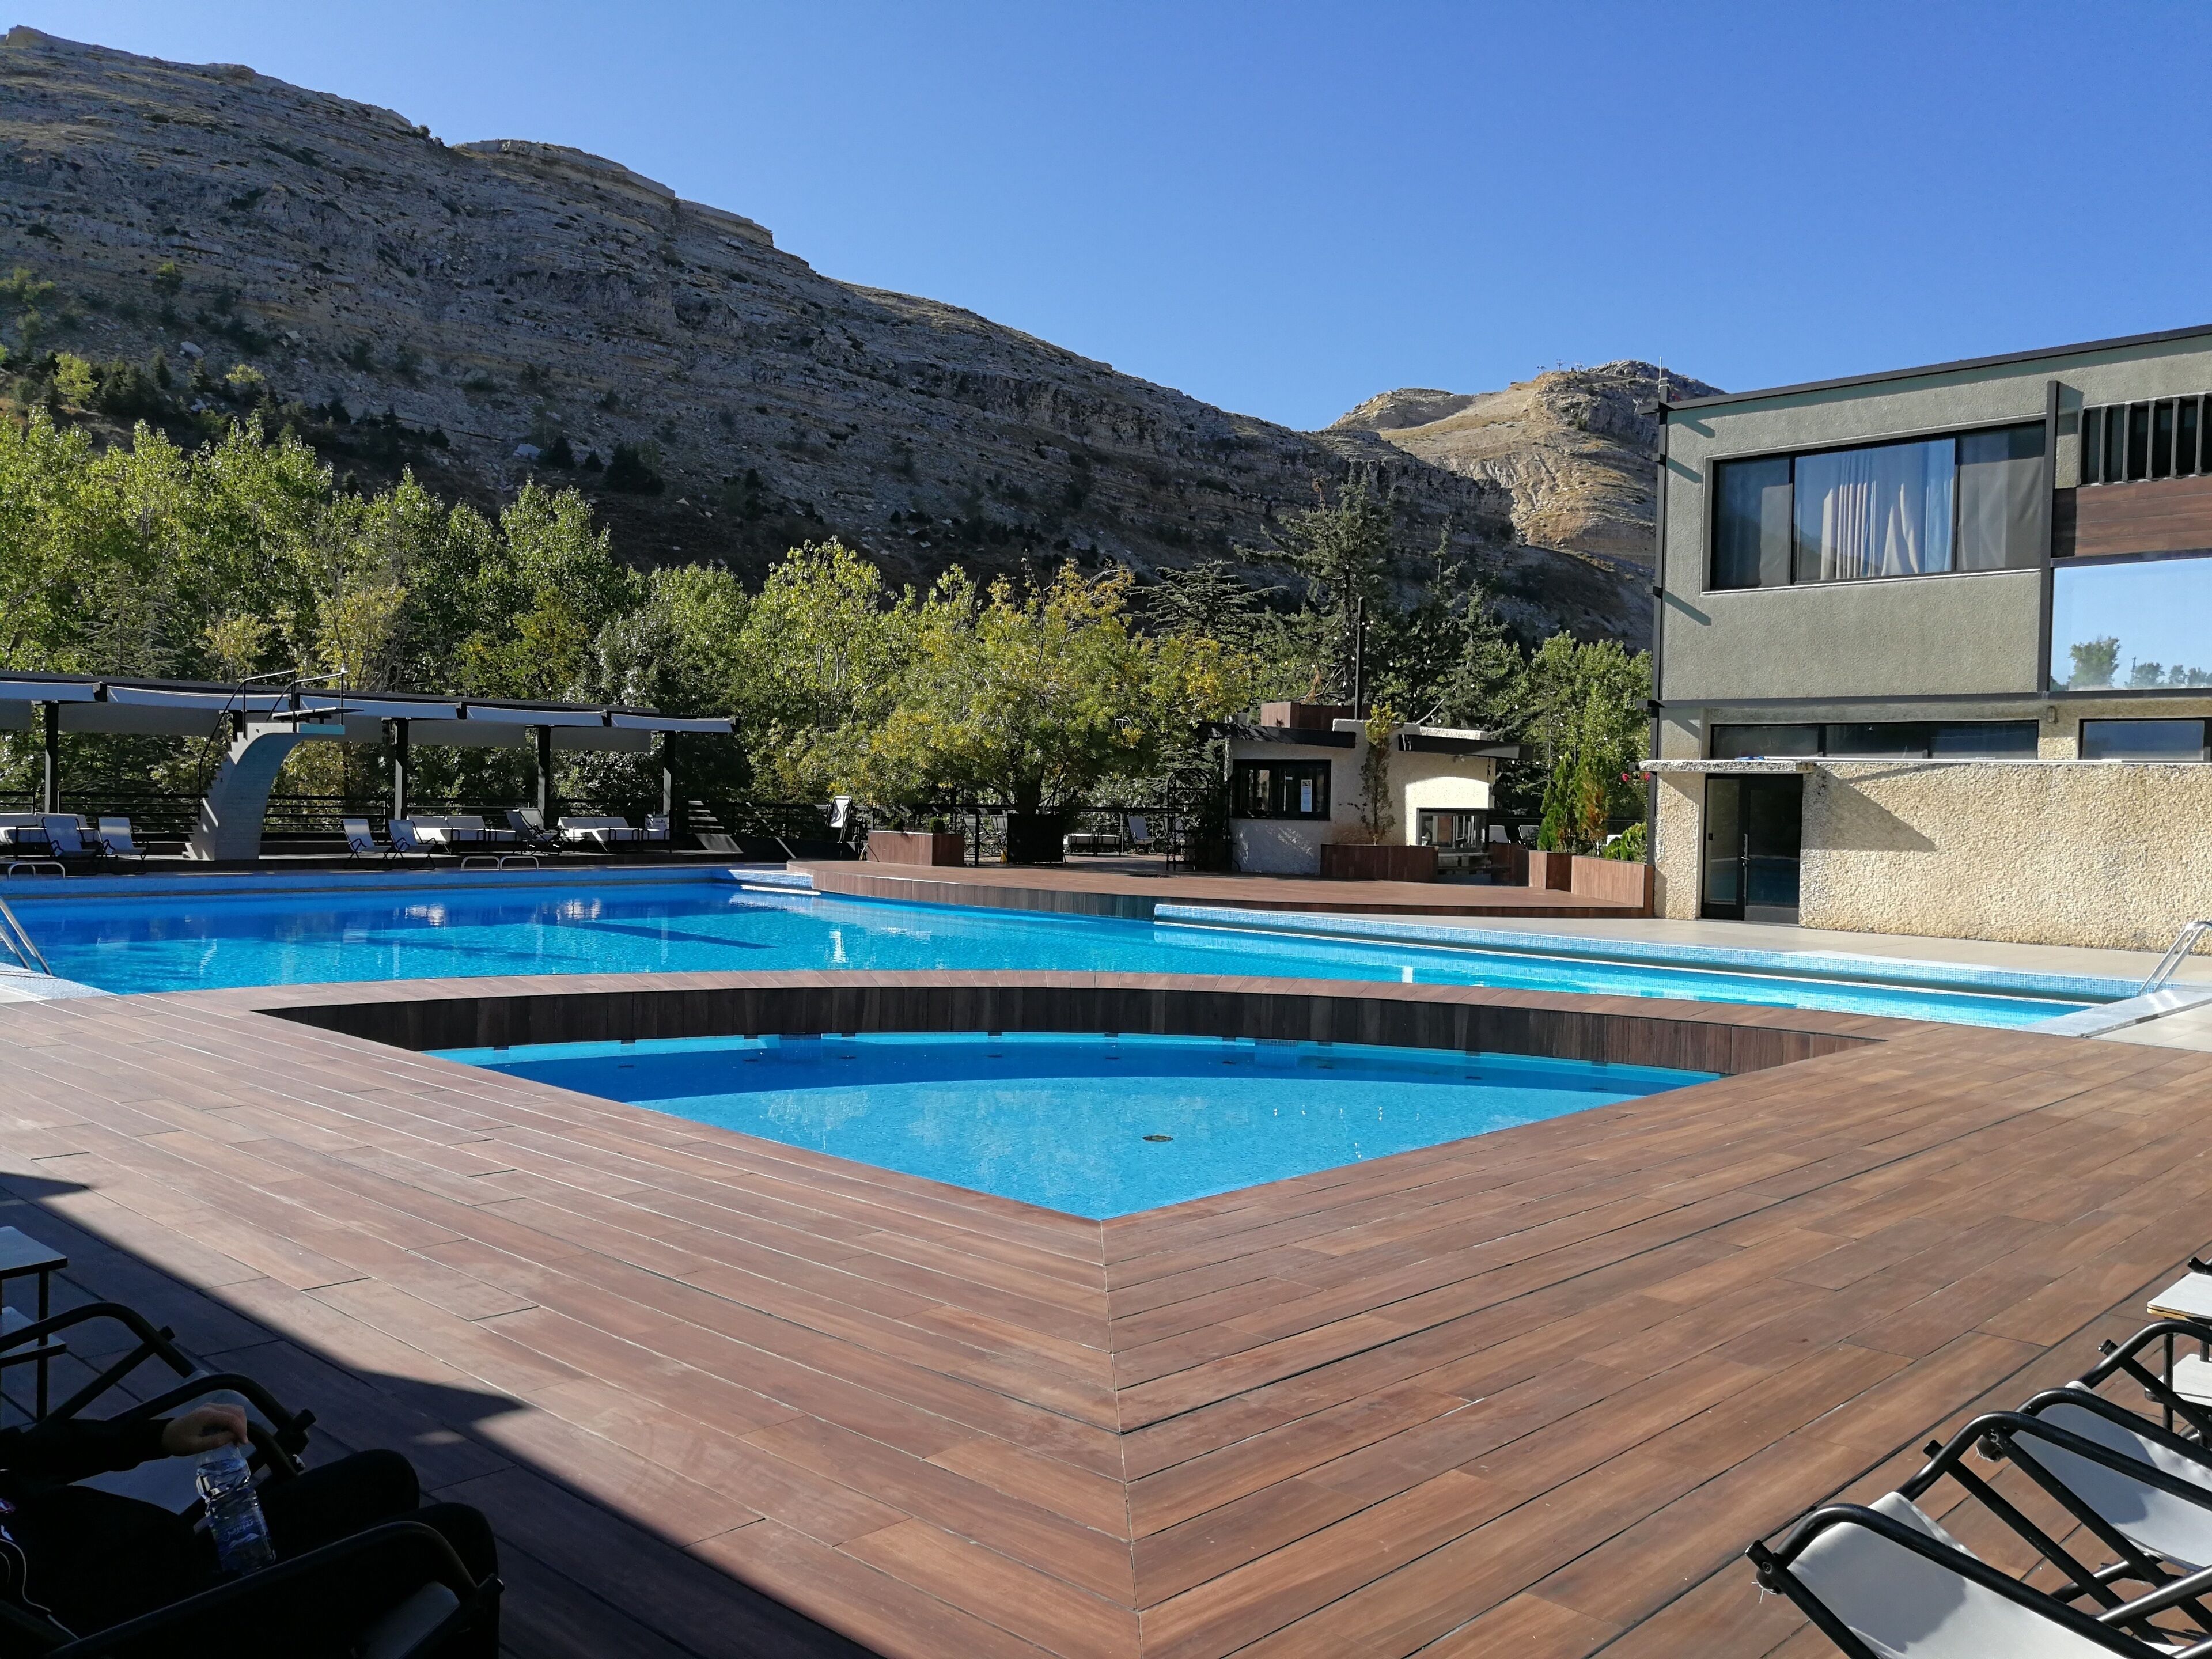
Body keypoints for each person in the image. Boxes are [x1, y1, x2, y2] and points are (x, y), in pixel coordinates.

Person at [0, 1402, 497, 1653]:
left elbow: (14, 1454)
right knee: (456, 1533)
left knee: (384, 1475)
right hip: (178, 1631)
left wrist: (157, 1436)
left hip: (181, 1567)